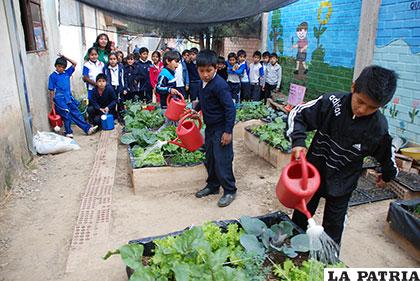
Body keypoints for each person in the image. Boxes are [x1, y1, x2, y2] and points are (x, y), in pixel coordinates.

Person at [287, 65, 398, 247]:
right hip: (312, 175)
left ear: (381, 106)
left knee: (333, 228)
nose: (362, 110)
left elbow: (387, 155)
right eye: (360, 101)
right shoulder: (332, 102)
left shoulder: (378, 128)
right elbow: (298, 114)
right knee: (300, 217)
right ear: (353, 87)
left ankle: (327, 264)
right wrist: (298, 142)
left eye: (372, 107)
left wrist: (387, 175)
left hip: (342, 184)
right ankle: (294, 250)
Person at [193, 49, 236, 207]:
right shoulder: (201, 84)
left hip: (221, 128)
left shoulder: (220, 85)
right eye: (202, 71)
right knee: (210, 158)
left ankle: (230, 190)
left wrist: (228, 131)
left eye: (209, 70)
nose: (205, 74)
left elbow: (230, 109)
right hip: (209, 127)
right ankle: (213, 186)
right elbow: (203, 101)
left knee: (222, 159)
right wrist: (195, 110)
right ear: (197, 69)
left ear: (216, 68)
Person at [48, 55, 97, 138]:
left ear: (64, 68)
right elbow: (51, 90)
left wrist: (64, 57)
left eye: (62, 67)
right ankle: (68, 132)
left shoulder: (67, 73)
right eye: (58, 66)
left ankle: (87, 129)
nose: (60, 68)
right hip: (59, 100)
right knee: (66, 114)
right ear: (55, 66)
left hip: (69, 98)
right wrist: (52, 102)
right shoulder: (53, 76)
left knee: (77, 113)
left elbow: (74, 63)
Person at [103, 52, 125, 121]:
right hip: (110, 87)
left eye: (114, 59)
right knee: (111, 102)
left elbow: (124, 78)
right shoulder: (106, 68)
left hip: (119, 87)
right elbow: (104, 78)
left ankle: (121, 118)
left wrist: (124, 88)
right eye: (111, 59)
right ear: (108, 60)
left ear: (117, 60)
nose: (112, 61)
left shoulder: (121, 67)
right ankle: (112, 117)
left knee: (120, 103)